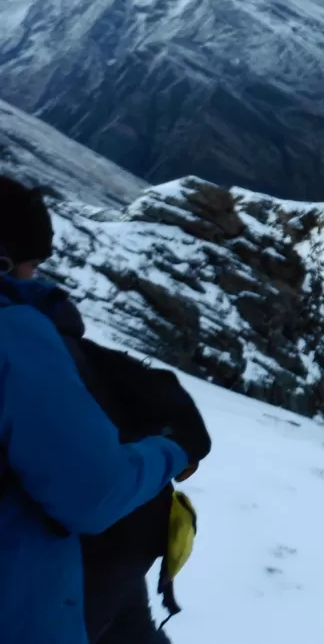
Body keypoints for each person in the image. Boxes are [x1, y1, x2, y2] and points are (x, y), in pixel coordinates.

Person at [0, 176, 209, 644]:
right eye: (30, 264)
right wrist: (173, 449)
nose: (35, 276)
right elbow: (92, 494)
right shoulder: (13, 336)